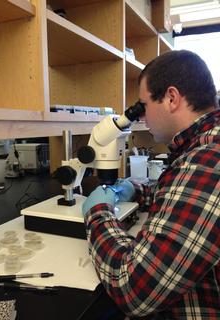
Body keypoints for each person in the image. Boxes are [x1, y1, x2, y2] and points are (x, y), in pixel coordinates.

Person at [82, 50, 220, 319]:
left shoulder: (207, 160)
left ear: (171, 98)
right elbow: (184, 199)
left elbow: (135, 289)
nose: (142, 117)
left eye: (143, 106)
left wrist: (97, 214)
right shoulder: (202, 145)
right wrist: (138, 190)